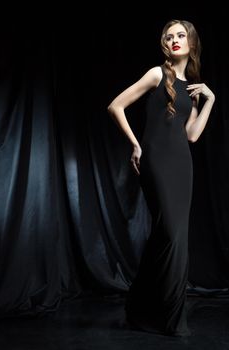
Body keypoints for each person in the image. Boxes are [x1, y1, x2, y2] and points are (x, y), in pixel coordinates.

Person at [107, 19, 215, 337]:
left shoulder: (192, 88)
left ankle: (141, 310)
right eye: (169, 37)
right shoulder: (158, 74)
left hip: (183, 166)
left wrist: (209, 100)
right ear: (164, 45)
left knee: (169, 237)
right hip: (156, 162)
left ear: (191, 43)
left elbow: (192, 136)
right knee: (170, 234)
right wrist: (136, 144)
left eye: (181, 35)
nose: (175, 40)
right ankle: (166, 318)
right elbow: (116, 106)